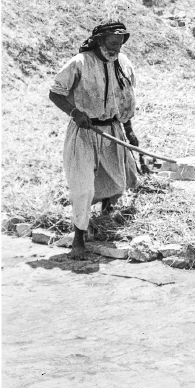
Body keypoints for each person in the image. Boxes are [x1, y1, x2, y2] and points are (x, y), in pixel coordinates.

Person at [48, 21, 141, 259]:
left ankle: (102, 219)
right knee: (83, 188)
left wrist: (129, 129)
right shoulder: (79, 63)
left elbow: (125, 100)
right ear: (100, 40)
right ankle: (78, 239)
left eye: (120, 44)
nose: (116, 48)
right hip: (84, 132)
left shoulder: (123, 63)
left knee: (115, 181)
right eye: (112, 43)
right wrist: (75, 113)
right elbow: (55, 92)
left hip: (111, 130)